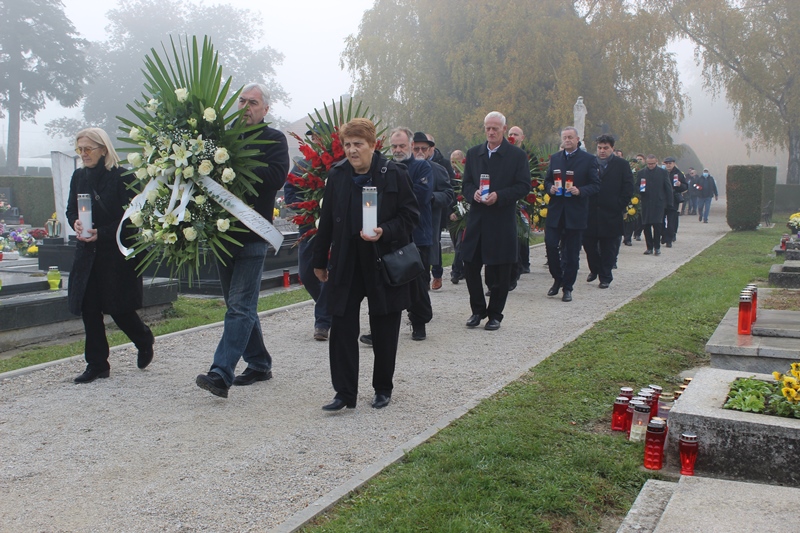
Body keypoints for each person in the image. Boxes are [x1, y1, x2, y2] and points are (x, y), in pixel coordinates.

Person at [312, 118, 419, 411]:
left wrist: (385, 230)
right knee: (342, 323)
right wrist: (319, 260)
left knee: (384, 324)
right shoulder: (337, 175)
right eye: (347, 144)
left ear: (372, 145)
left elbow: (411, 216)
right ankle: (344, 393)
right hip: (347, 259)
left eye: (358, 144)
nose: (352, 150)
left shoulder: (394, 174)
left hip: (381, 260)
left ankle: (383, 387)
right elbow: (327, 225)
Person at [195, 83, 289, 398]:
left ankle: (221, 373)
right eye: (242, 101)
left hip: (253, 233)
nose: (246, 106)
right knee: (239, 305)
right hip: (223, 235)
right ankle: (260, 363)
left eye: (253, 102)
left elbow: (276, 177)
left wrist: (238, 166)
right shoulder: (223, 138)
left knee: (240, 306)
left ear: (265, 109)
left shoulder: (274, 140)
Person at [66, 127, 154, 383]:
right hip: (87, 252)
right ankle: (97, 364)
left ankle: (143, 338)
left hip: (114, 253)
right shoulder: (78, 177)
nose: (83, 154)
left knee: (119, 308)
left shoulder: (122, 177)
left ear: (103, 149)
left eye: (87, 149)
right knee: (89, 309)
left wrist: (101, 233)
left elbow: (131, 220)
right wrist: (76, 224)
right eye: (79, 149)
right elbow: (71, 209)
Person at [461, 111, 531, 329]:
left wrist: (499, 196)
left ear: (503, 129)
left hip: (501, 219)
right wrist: (472, 193)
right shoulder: (474, 154)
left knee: (501, 270)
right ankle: (477, 310)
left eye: (495, 129)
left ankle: (495, 315)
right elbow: (466, 184)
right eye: (487, 129)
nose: (491, 132)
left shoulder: (516, 156)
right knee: (470, 265)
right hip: (478, 220)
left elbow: (523, 186)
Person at [285, 124, 333, 341]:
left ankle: (322, 321)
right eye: (313, 137)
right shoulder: (302, 165)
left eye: (320, 137)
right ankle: (328, 308)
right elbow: (290, 190)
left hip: (334, 226)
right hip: (309, 223)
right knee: (306, 272)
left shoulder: (337, 163)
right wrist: (302, 206)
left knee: (329, 271)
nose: (316, 140)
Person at [544, 126, 601, 302]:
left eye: (570, 137)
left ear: (577, 139)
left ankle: (567, 287)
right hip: (556, 211)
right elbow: (547, 180)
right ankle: (557, 278)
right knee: (551, 245)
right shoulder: (555, 158)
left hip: (575, 212)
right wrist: (550, 188)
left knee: (572, 252)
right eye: (564, 137)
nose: (567, 140)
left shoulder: (588, 160)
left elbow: (596, 185)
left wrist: (580, 190)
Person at [582, 134, 634, 289]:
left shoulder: (622, 165)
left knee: (609, 247)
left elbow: (628, 186)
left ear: (612, 148)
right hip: (591, 212)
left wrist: (619, 204)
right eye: (599, 148)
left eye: (606, 148)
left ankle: (605, 276)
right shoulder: (589, 162)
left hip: (611, 212)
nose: (602, 151)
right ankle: (595, 269)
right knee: (589, 246)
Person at [412, 132, 454, 292]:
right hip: (407, 225)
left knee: (424, 267)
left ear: (430, 150)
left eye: (424, 148)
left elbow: (448, 194)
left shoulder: (438, 170)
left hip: (429, 225)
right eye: (416, 149)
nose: (420, 152)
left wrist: (431, 197)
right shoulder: (401, 168)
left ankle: (421, 306)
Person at [507, 125, 532, 277]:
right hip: (508, 197)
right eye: (510, 134)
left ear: (522, 137)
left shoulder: (528, 155)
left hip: (524, 199)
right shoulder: (504, 153)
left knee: (523, 233)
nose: (513, 137)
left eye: (516, 134)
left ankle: (524, 261)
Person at [637, 154, 673, 256]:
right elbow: (636, 186)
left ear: (656, 162)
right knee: (646, 225)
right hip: (646, 202)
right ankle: (649, 247)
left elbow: (668, 188)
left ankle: (657, 247)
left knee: (657, 226)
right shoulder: (641, 173)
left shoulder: (663, 172)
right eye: (649, 164)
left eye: (652, 164)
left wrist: (669, 203)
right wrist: (640, 191)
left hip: (659, 203)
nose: (651, 166)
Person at [448, 149, 467, 284]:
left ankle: (455, 271)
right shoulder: (449, 176)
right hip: (452, 216)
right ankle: (462, 269)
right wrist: (450, 212)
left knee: (461, 243)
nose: (455, 164)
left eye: (457, 161)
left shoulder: (467, 176)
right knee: (456, 244)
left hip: (465, 216)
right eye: (452, 161)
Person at [662, 156, 687, 247]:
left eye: (670, 163)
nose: (668, 165)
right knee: (660, 220)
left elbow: (685, 187)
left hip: (673, 200)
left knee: (671, 220)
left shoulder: (678, 173)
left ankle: (669, 239)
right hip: (662, 199)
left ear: (673, 164)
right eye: (666, 163)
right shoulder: (662, 172)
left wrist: (680, 185)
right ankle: (664, 234)